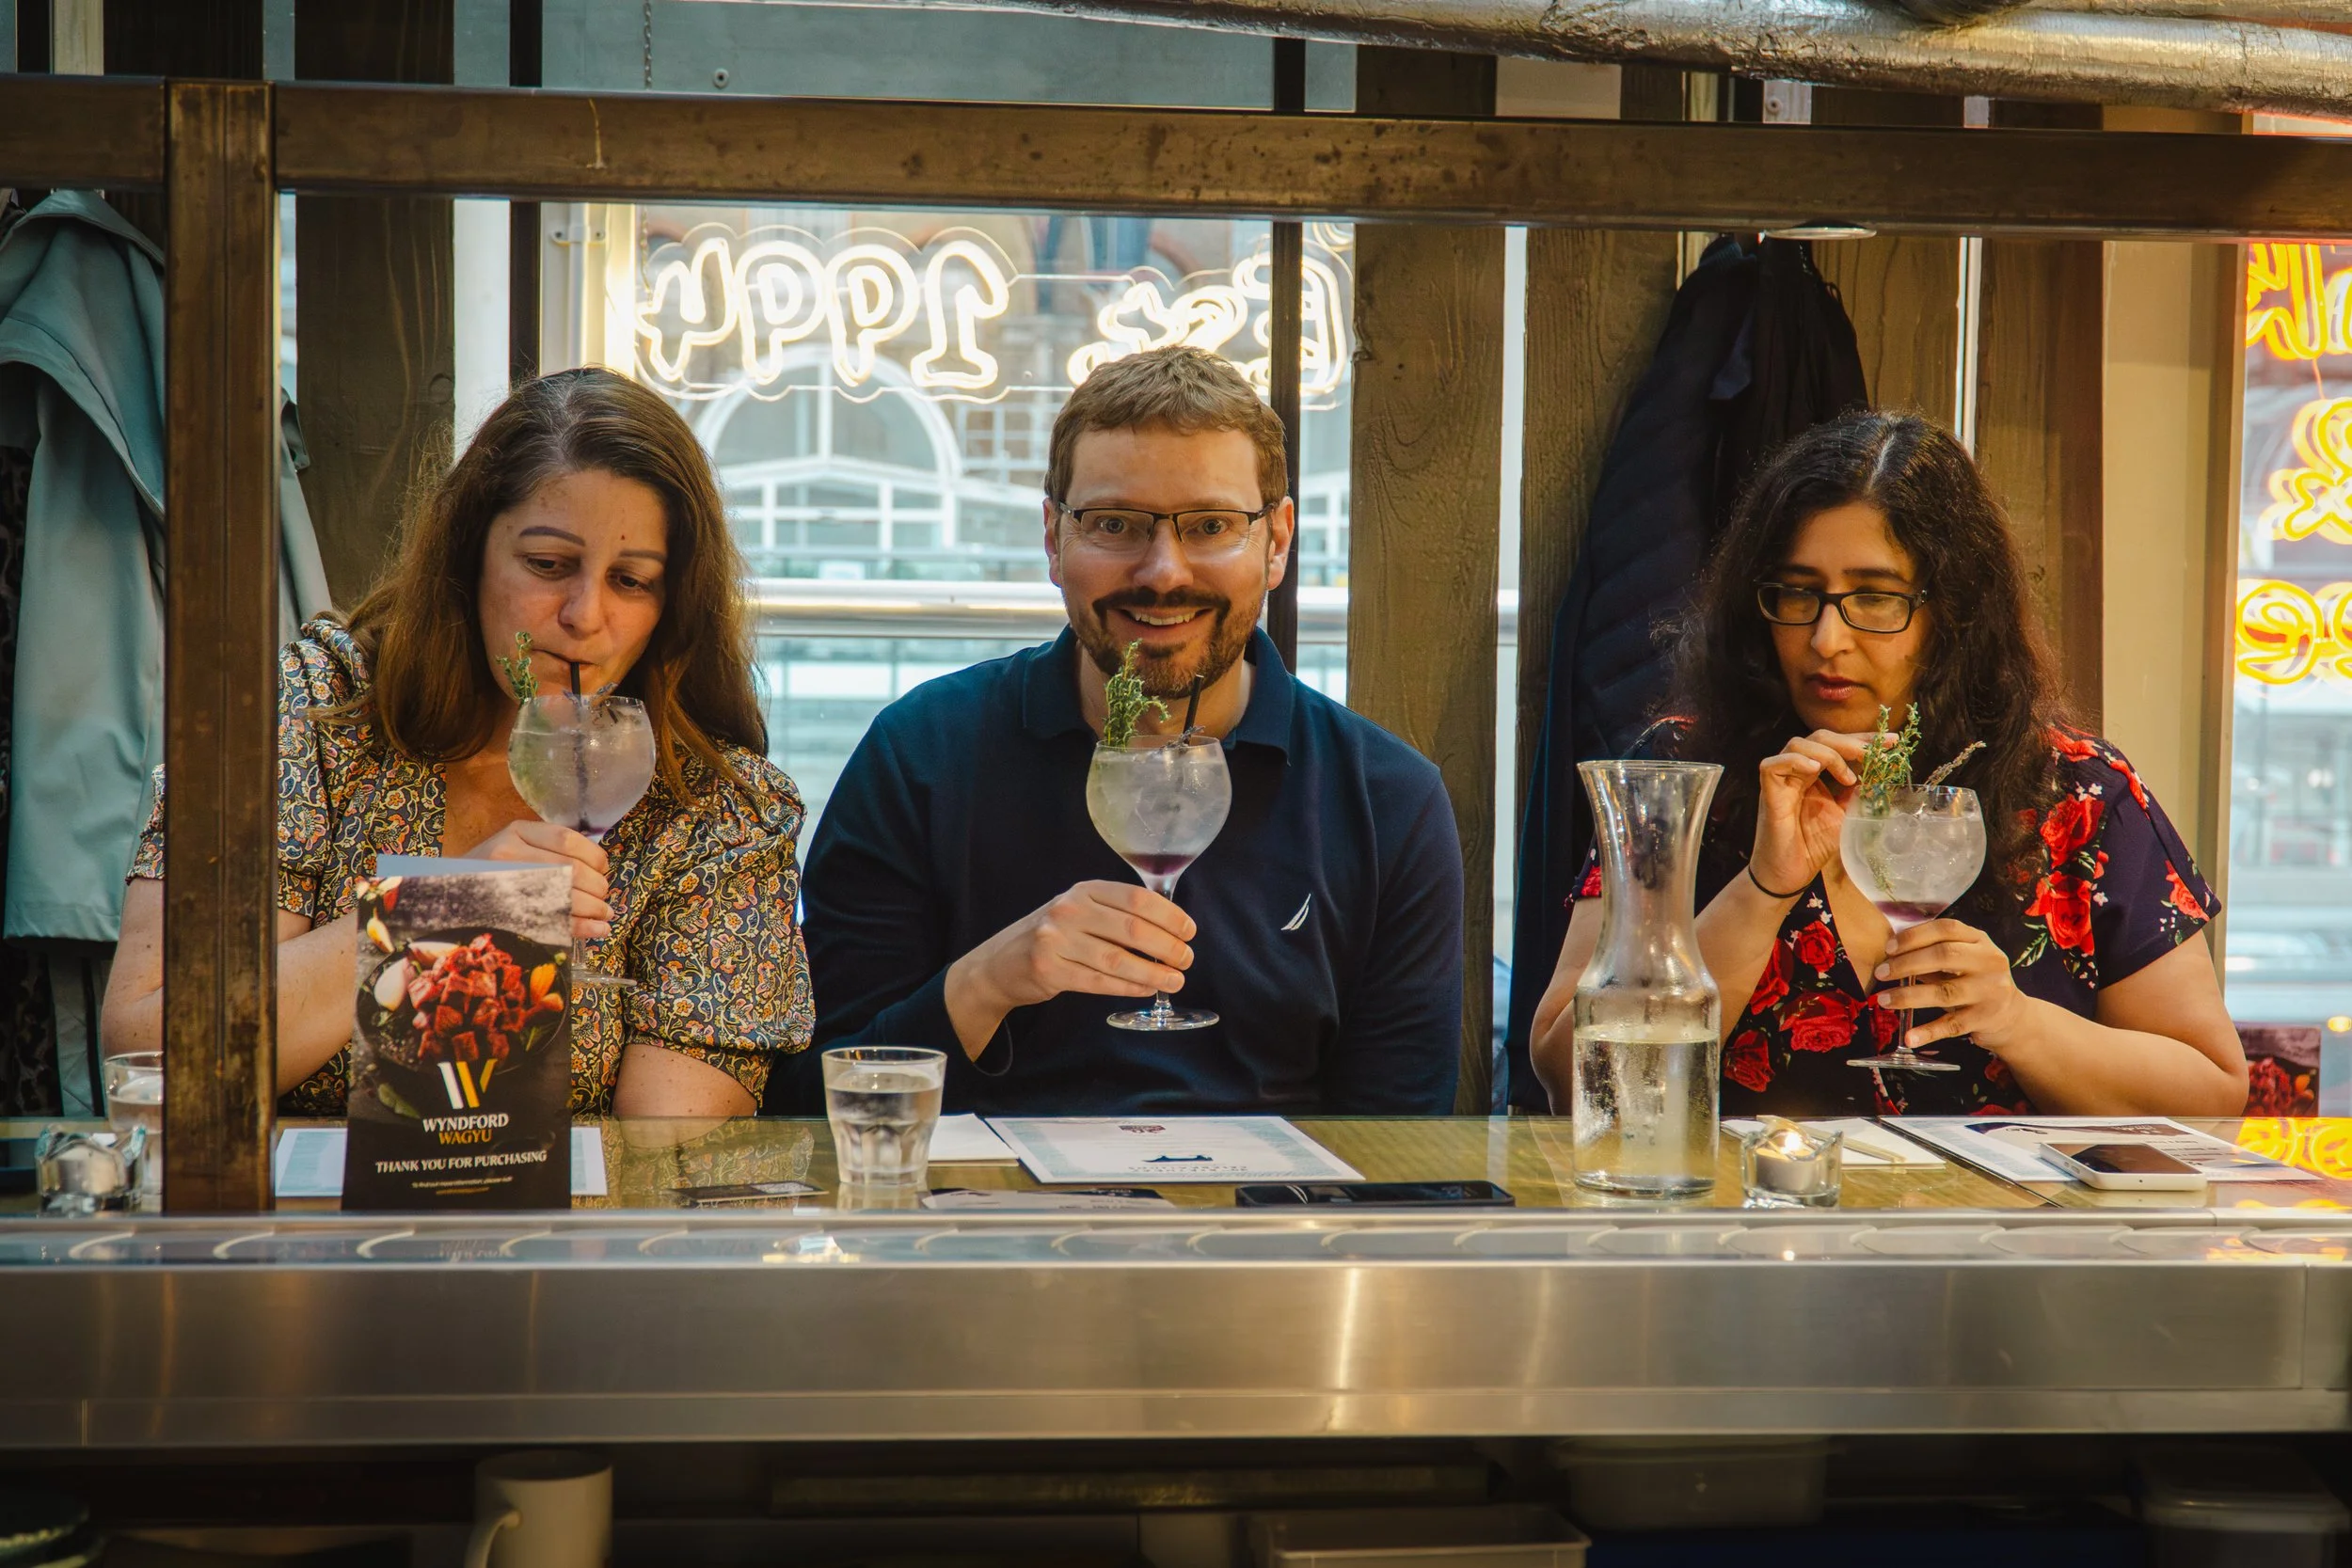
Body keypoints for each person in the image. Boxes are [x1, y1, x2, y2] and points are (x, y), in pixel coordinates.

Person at [102, 369, 813, 1117]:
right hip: (297, 1199)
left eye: (631, 580)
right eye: (548, 565)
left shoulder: (716, 813)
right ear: (469, 551)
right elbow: (150, 1056)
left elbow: (669, 1157)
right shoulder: (316, 712)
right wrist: (444, 907)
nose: (585, 614)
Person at [780, 345, 1463, 1116]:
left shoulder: (1386, 801)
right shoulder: (920, 757)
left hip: (1274, 1197)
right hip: (972, 1196)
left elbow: (1401, 1147)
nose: (1164, 571)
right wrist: (989, 981)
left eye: (1210, 525)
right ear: (1053, 538)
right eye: (1114, 524)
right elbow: (807, 1110)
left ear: (1277, 542)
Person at [1530, 410, 2247, 1117]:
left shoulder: (2077, 792)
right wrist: (1761, 891)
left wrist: (2018, 1020)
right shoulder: (1683, 774)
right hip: (1745, 1197)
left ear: (1955, 611)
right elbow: (1572, 1083)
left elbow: (2211, 1092)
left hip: (2000, 1202)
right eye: (1797, 592)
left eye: (1874, 597)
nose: (1826, 638)